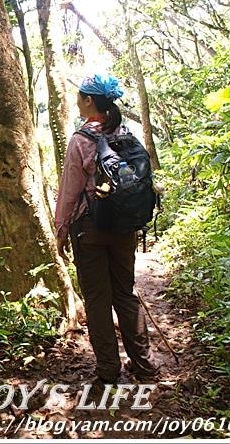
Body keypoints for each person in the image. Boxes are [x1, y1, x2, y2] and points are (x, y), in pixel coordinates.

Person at [55, 73, 159, 384]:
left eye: (80, 95)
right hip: (125, 227)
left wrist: (61, 230)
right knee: (125, 294)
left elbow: (69, 191)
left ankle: (108, 371)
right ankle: (145, 365)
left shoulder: (81, 139)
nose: (77, 99)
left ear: (89, 101)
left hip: (91, 228)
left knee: (98, 299)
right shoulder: (127, 134)